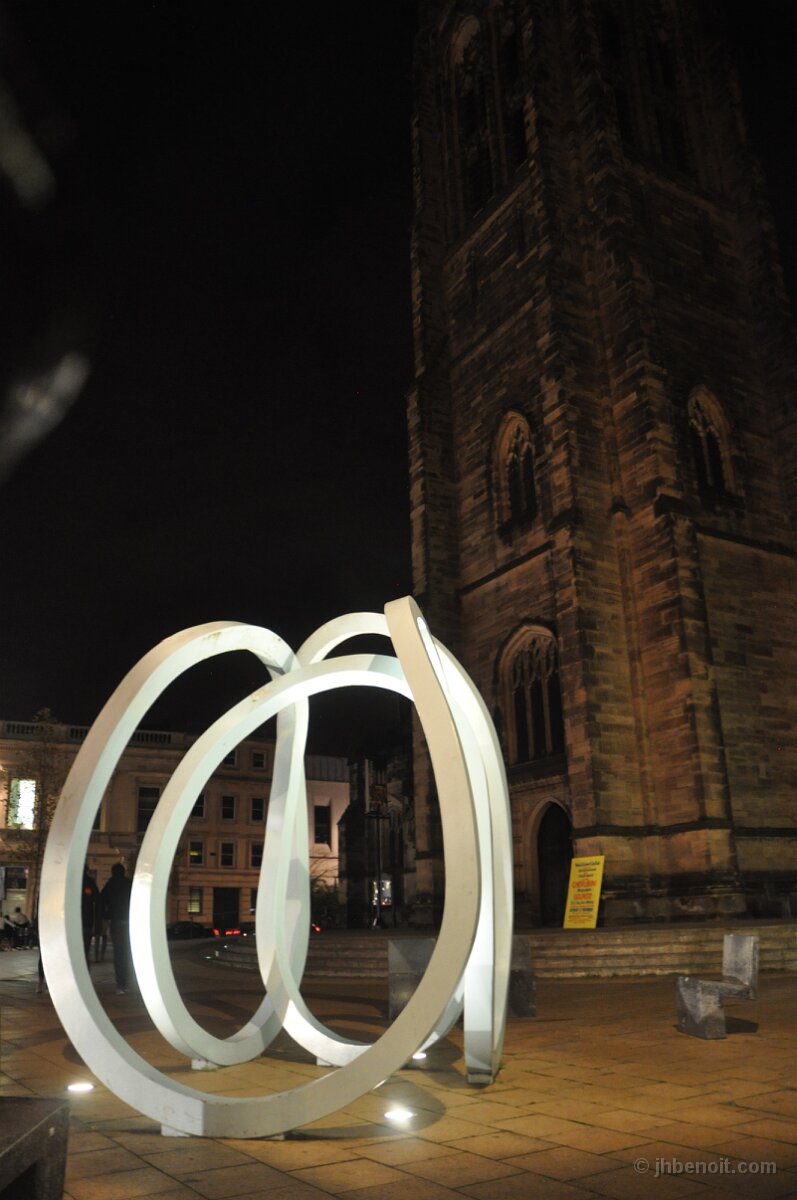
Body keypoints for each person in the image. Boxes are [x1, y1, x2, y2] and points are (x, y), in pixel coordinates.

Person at [101, 863, 132, 994]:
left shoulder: (110, 885)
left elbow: (102, 901)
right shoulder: (129, 884)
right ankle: (126, 982)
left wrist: (107, 915)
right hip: (129, 922)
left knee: (118, 953)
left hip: (116, 922)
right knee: (127, 953)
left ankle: (120, 984)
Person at [81, 870, 100, 963]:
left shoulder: (70, 881)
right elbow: (98, 900)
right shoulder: (90, 882)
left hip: (72, 922)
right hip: (87, 920)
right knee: (85, 948)